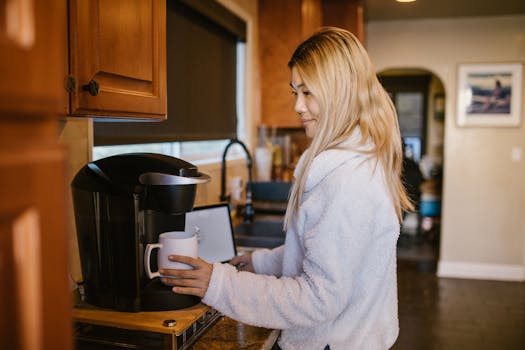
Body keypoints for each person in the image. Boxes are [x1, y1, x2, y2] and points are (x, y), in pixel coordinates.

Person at [160, 27, 413, 350]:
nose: (297, 105)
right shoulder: (355, 162)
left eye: (307, 92)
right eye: (295, 92)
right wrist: (260, 263)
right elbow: (323, 251)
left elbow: (318, 299)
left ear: (340, 92)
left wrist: (218, 283)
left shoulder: (348, 181)